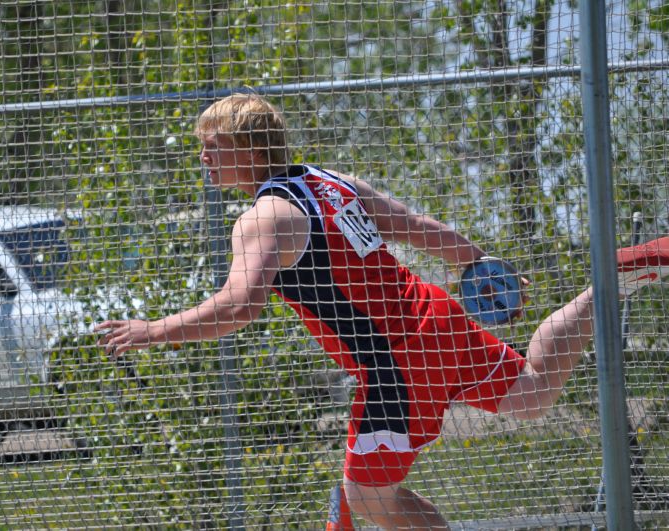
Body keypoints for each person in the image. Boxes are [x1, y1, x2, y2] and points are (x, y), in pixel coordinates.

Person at [95, 93, 669, 529]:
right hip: (436, 318)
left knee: (368, 496)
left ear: (246, 148)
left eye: (211, 146)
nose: (203, 158)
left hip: (398, 365)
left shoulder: (263, 217)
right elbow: (419, 229)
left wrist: (152, 330)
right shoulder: (330, 181)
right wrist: (480, 267)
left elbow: (239, 306)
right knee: (534, 391)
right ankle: (609, 281)